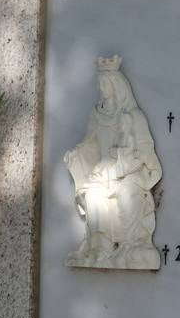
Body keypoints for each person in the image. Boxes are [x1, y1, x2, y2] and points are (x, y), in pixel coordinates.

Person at [64, 55, 162, 270]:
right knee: (93, 194)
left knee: (126, 192)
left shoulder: (133, 116)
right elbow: (89, 144)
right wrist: (76, 154)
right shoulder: (96, 115)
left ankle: (129, 245)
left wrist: (119, 170)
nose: (100, 87)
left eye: (104, 83)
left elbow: (144, 151)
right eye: (99, 83)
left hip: (128, 172)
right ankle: (101, 247)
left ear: (116, 85)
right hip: (104, 170)